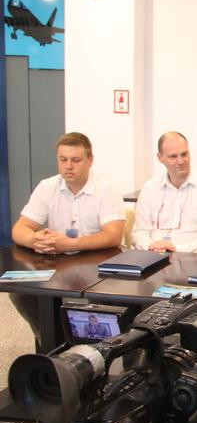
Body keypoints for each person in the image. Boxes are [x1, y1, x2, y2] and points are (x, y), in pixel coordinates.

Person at [10, 132, 125, 350]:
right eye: (63, 160)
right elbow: (19, 229)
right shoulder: (47, 187)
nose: (68, 166)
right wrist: (34, 239)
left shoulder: (106, 189)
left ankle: (93, 350)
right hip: (58, 264)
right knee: (22, 293)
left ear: (90, 160)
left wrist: (71, 244)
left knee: (105, 299)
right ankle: (51, 341)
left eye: (76, 160)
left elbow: (113, 235)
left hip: (99, 265)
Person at [131, 131, 197, 253]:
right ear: (160, 158)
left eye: (184, 154)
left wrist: (175, 249)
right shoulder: (149, 187)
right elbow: (139, 232)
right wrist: (152, 246)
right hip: (152, 255)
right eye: (173, 156)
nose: (180, 161)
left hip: (193, 257)